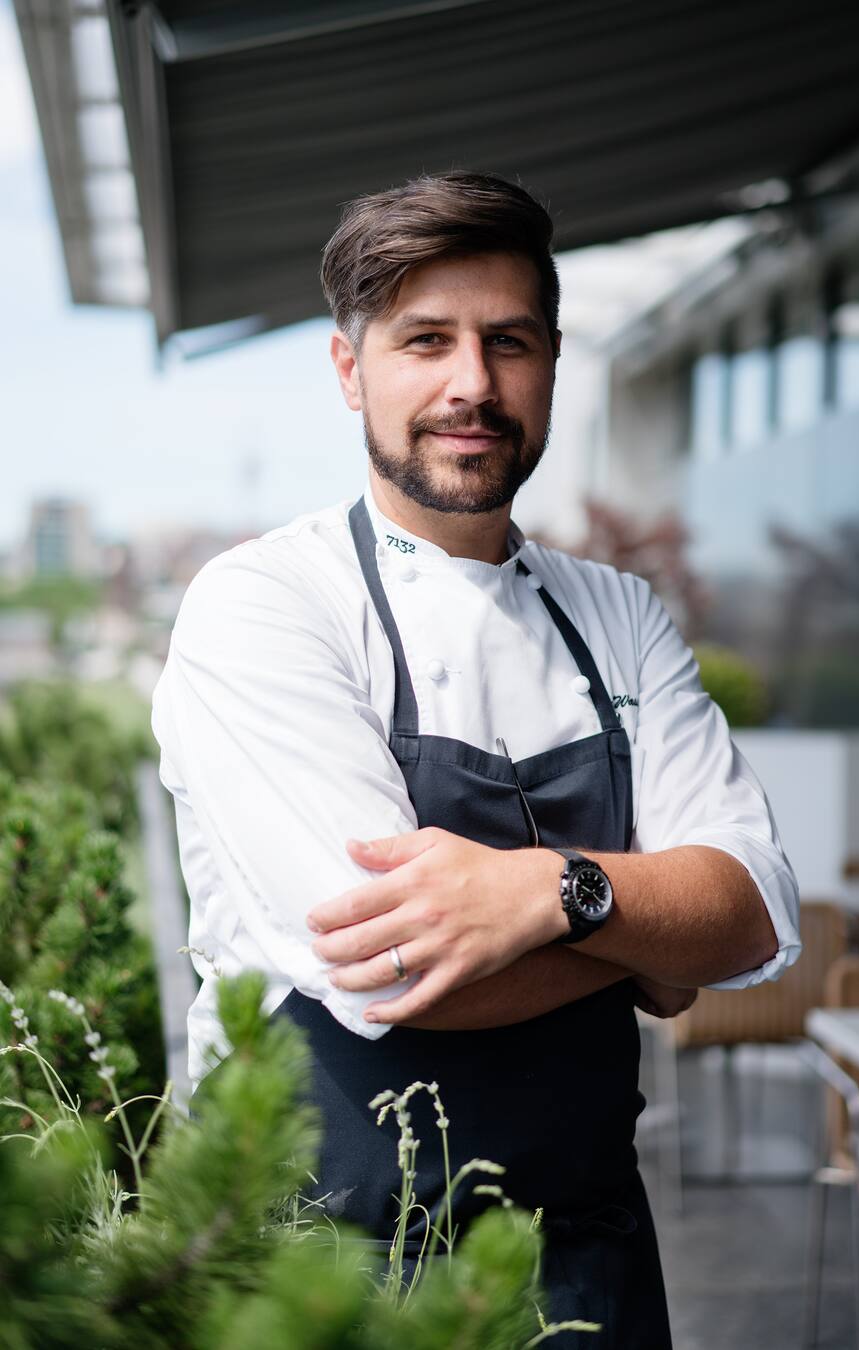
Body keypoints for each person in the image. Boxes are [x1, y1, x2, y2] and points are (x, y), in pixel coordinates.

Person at [151, 171, 801, 1348]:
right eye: (426, 340)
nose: (473, 385)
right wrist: (650, 935)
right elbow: (395, 969)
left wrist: (549, 893)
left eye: (509, 342)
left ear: (551, 361)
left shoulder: (619, 614)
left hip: (587, 1260)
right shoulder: (264, 605)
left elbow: (754, 912)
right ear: (350, 372)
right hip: (322, 1276)